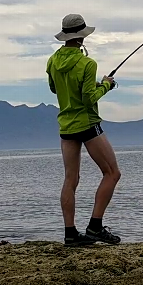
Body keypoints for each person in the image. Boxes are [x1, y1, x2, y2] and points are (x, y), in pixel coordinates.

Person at [47, 13, 122, 247]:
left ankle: (70, 234)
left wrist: (92, 87)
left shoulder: (52, 61)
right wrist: (106, 86)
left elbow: (53, 89)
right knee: (112, 173)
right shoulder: (87, 63)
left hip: (66, 125)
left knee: (71, 179)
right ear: (82, 38)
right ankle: (95, 227)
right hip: (88, 124)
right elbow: (89, 100)